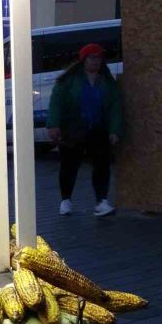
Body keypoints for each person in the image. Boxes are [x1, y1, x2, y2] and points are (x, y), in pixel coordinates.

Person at [47, 43, 122, 217]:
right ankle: (66, 199)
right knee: (69, 165)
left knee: (101, 165)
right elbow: (56, 103)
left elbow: (115, 106)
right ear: (84, 60)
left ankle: (101, 201)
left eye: (98, 58)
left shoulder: (107, 82)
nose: (95, 62)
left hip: (98, 128)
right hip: (74, 128)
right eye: (91, 58)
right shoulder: (69, 80)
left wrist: (115, 130)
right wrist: (53, 124)